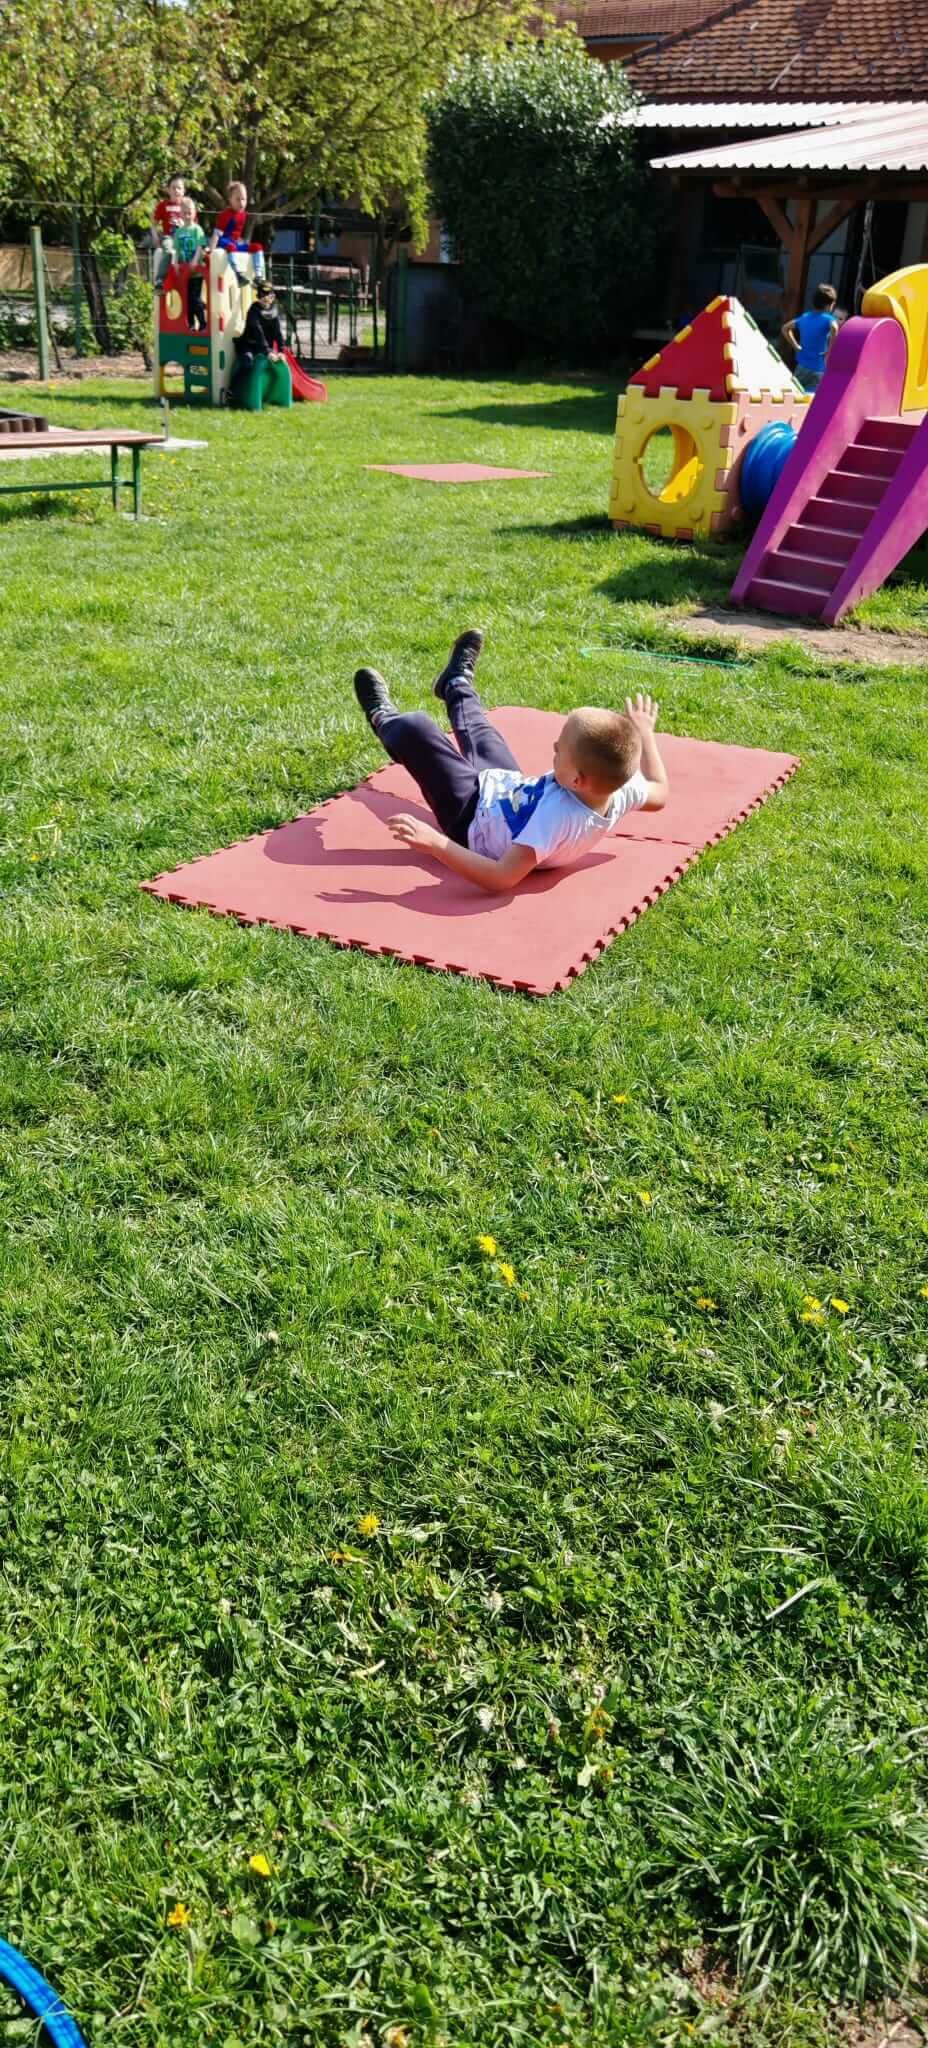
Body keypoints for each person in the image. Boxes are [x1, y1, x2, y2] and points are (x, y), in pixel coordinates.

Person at [352, 630, 669, 895]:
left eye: (560, 750)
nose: (554, 746)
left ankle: (384, 719)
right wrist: (644, 734)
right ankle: (455, 682)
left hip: (471, 819)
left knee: (416, 729)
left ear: (577, 780)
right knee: (480, 731)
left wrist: (436, 843)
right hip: (509, 793)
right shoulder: (618, 790)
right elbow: (660, 792)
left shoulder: (554, 818)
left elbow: (502, 877)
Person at [226, 279, 285, 406]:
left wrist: (281, 350)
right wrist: (268, 351)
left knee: (277, 364)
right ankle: (232, 391)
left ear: (273, 296)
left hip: (263, 347)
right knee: (247, 363)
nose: (265, 298)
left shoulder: (274, 311)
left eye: (268, 295)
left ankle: (270, 395)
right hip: (249, 345)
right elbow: (258, 333)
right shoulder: (253, 311)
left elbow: (277, 332)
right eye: (262, 295)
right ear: (258, 296)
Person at [781, 282, 839, 392]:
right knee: (811, 398)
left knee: (795, 394)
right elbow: (834, 328)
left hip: (801, 367)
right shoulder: (828, 319)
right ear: (828, 306)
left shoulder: (805, 317)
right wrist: (829, 350)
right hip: (818, 369)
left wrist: (796, 346)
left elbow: (785, 328)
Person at [210, 181, 265, 283]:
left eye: (244, 199)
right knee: (232, 246)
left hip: (235, 243)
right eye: (238, 199)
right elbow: (217, 234)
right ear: (230, 200)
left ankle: (259, 276)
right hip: (224, 241)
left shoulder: (243, 214)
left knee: (258, 247)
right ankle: (237, 274)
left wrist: (241, 241)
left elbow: (236, 234)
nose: (241, 203)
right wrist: (211, 252)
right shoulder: (225, 215)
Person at [172, 196, 208, 331]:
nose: (187, 215)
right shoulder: (179, 232)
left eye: (190, 212)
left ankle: (203, 324)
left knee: (195, 298)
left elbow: (200, 246)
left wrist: (194, 260)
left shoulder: (197, 229)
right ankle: (191, 325)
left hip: (196, 272)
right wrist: (175, 263)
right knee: (186, 300)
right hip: (184, 272)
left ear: (194, 213)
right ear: (180, 214)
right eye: (185, 213)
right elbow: (176, 249)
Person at [152, 175, 193, 292]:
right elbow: (154, 223)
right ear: (168, 190)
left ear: (183, 191)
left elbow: (194, 226)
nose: (176, 191)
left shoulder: (188, 206)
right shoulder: (163, 205)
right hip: (169, 237)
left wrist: (183, 224)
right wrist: (155, 236)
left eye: (179, 188)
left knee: (189, 253)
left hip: (184, 238)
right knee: (169, 251)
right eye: (173, 188)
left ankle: (188, 281)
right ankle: (160, 279)